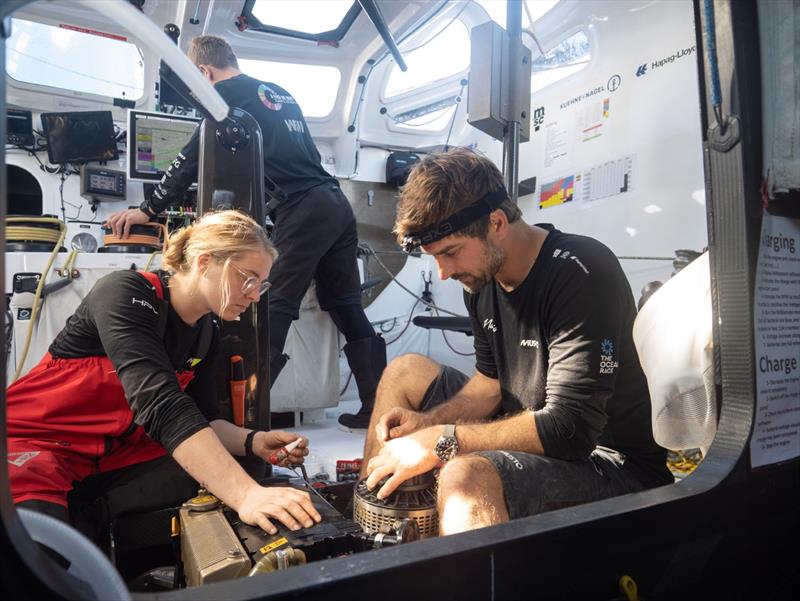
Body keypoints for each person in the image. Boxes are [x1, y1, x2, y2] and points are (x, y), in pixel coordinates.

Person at [361, 148, 673, 535]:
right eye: (434, 258)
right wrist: (426, 423)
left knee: (465, 477)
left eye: (450, 253)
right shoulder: (479, 281)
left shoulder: (581, 270)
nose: (443, 273)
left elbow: (567, 430)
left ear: (495, 223)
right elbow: (490, 385)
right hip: (535, 426)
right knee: (404, 371)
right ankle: (368, 524)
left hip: (612, 465)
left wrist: (441, 441)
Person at [106, 35, 384, 429]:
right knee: (345, 306)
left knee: (274, 303)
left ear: (204, 73)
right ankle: (378, 407)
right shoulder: (277, 92)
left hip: (303, 207)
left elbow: (191, 156)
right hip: (335, 204)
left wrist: (148, 209)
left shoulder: (225, 96)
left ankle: (246, 416)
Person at [7, 210, 321, 535]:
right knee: (40, 540)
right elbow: (160, 403)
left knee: (245, 465)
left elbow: (205, 418)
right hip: (37, 443)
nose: (255, 295)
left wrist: (254, 441)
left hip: (111, 455)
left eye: (262, 284)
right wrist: (245, 495)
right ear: (204, 262)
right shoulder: (124, 292)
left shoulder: (207, 333)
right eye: (248, 279)